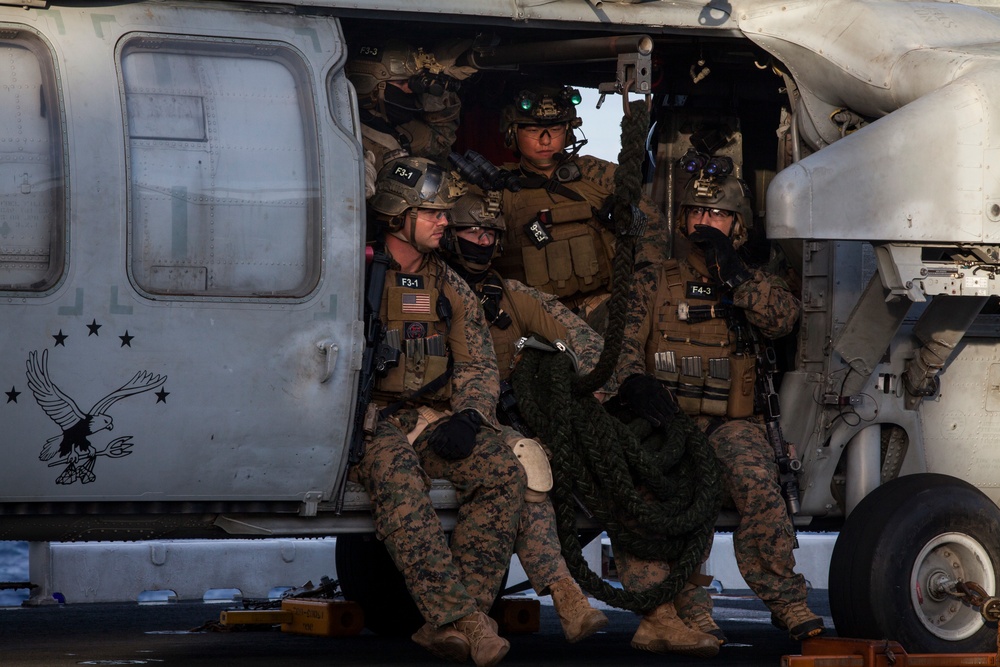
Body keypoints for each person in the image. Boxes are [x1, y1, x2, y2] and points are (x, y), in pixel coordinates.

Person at [440, 190, 720, 657]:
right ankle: (567, 595)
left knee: (618, 468)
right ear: (450, 235)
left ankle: (660, 616)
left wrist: (626, 385)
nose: (482, 241)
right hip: (461, 422)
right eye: (472, 231)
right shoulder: (431, 292)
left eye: (490, 232)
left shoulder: (509, 297)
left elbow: (580, 342)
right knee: (527, 470)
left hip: (524, 417)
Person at [611, 163, 826, 643]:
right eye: (698, 212)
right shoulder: (653, 281)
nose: (707, 222)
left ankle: (787, 600)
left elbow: (783, 319)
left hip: (733, 425)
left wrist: (735, 275)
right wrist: (634, 386)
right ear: (683, 219)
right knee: (674, 501)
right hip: (667, 425)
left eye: (720, 214)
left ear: (738, 225)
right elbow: (621, 351)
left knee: (758, 488)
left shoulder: (753, 282)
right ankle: (691, 609)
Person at [352, 157, 526, 667]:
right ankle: (466, 621)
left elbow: (476, 364)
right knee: (400, 486)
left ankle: (449, 620)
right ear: (396, 215)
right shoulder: (356, 273)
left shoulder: (448, 283)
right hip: (372, 423)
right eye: (431, 213)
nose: (444, 222)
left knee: (502, 474)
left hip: (433, 420)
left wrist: (469, 417)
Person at [492, 83, 669, 318]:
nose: (545, 141)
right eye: (533, 131)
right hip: (530, 316)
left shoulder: (597, 174)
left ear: (569, 131)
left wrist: (639, 285)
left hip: (601, 307)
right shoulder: (496, 187)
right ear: (513, 134)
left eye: (555, 129)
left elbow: (651, 224)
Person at [345, 39, 474, 198]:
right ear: (369, 86)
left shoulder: (398, 126)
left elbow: (441, 142)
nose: (410, 90)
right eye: (401, 82)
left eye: (411, 82)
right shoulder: (346, 138)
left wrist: (440, 85)